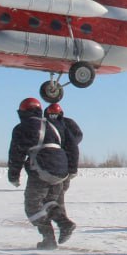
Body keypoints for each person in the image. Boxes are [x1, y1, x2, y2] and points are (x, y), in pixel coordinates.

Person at [7, 97, 74, 249]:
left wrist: (13, 174)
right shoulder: (53, 124)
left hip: (41, 169)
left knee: (32, 207)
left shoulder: (22, 128)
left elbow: (16, 154)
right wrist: (71, 170)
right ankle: (64, 223)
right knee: (48, 202)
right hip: (60, 170)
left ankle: (49, 239)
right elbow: (71, 145)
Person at [45, 101, 83, 240]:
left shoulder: (46, 125)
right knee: (57, 199)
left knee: (46, 201)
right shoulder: (67, 124)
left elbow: (76, 139)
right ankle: (63, 226)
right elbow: (77, 137)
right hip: (62, 168)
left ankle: (61, 227)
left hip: (53, 168)